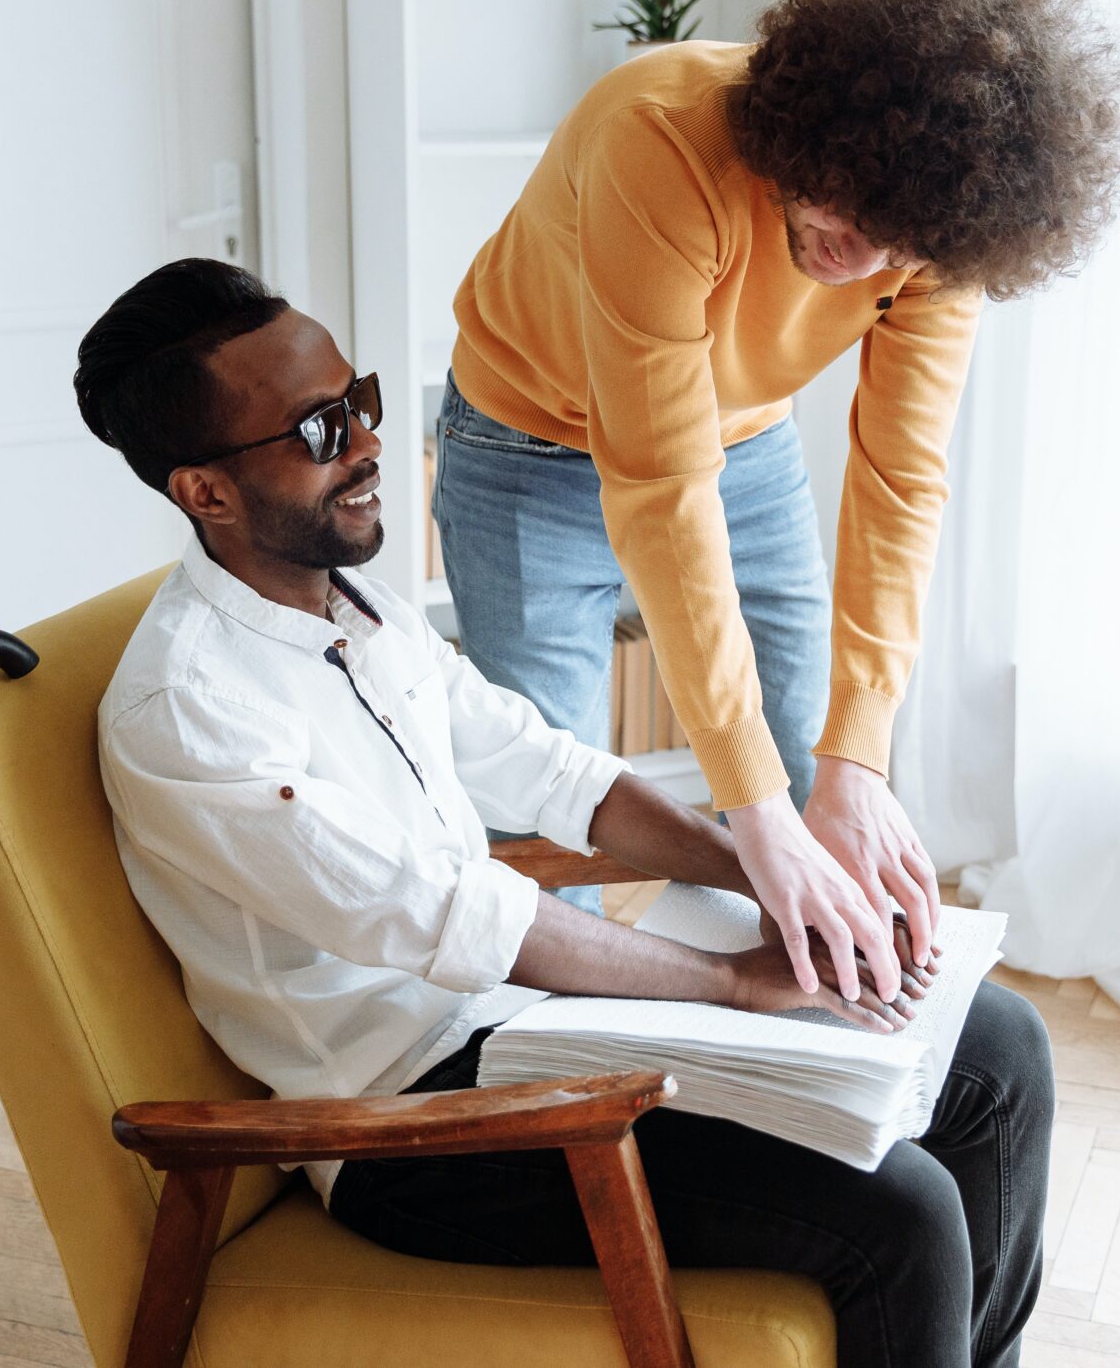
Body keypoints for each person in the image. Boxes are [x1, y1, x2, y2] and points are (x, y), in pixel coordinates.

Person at [74, 258, 1056, 1368]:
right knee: (901, 1214)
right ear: (203, 491)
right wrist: (732, 982)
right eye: (316, 434)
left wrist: (774, 876)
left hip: (529, 1033)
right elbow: (445, 913)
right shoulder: (190, 710)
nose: (366, 445)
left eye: (361, 403)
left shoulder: (362, 608)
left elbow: (551, 773)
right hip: (416, 1124)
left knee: (999, 1050)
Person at [436, 0, 1120, 1000]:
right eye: (852, 210)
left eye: (906, 245)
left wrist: (853, 760)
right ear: (810, 129)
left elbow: (901, 479)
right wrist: (753, 809)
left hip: (744, 440)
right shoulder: (659, 136)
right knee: (545, 805)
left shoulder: (930, 234)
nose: (866, 262)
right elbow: (659, 485)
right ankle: (561, 1094)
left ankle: (797, 1077)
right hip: (525, 442)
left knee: (820, 777)